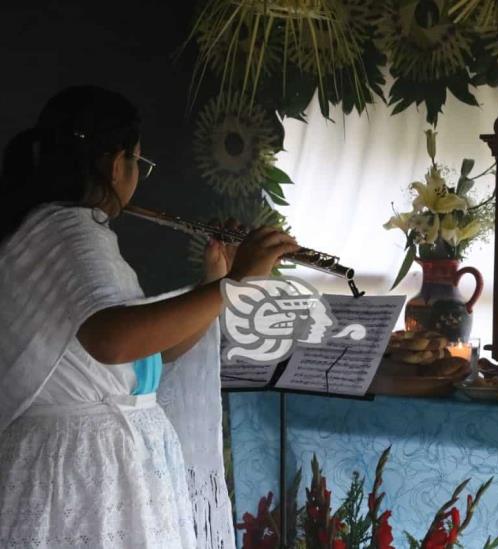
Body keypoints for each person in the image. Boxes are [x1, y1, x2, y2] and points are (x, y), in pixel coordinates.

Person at [0, 86, 299, 548]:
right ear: (116, 164)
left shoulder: (72, 231)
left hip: (108, 468)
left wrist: (214, 282)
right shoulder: (69, 231)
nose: (137, 174)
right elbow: (113, 341)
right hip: (82, 472)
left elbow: (149, 350)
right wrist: (233, 285)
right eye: (139, 162)